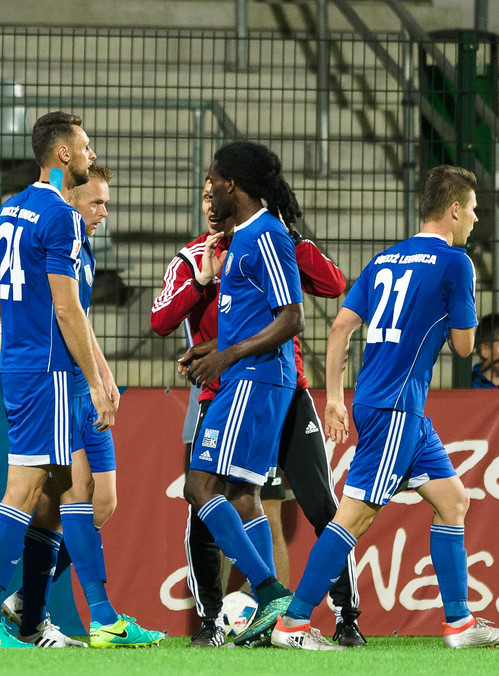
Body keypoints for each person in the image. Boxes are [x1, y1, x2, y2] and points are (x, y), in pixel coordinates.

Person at [273, 165, 499, 650]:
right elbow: (467, 348)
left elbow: (340, 329)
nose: (474, 218)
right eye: (472, 209)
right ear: (453, 209)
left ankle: (459, 624)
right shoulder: (456, 263)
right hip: (394, 411)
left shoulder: (385, 259)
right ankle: (293, 624)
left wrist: (335, 400)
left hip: (385, 405)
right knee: (352, 519)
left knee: (453, 501)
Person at [0, 111, 162, 649]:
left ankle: (102, 618)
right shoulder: (60, 216)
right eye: (87, 146)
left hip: (24, 366)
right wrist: (97, 380)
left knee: (78, 491)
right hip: (49, 371)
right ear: (64, 155)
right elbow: (66, 306)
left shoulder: (9, 212)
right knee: (25, 490)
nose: (93, 154)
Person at [156, 177, 364, 647]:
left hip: (283, 391)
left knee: (317, 503)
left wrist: (292, 239)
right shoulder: (193, 258)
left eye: (218, 194)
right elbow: (161, 320)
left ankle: (345, 615)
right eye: (205, 197)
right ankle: (215, 621)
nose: (211, 205)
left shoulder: (269, 240)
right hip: (221, 393)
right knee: (212, 504)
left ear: (237, 195)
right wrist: (202, 283)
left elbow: (330, 286)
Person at [180, 140, 305, 646]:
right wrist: (211, 346)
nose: (208, 187)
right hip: (246, 377)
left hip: (253, 383)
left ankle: (270, 589)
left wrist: (227, 357)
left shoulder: (266, 236)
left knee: (199, 488)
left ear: (232, 183)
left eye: (213, 179)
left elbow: (291, 318)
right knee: (242, 495)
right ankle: (266, 607)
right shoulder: (242, 238)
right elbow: (253, 320)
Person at [0, 164, 118, 648]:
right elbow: (56, 312)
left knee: (102, 502)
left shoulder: (81, 244)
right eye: (96, 203)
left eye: (106, 203)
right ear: (72, 201)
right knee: (65, 497)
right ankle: (49, 611)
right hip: (58, 383)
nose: (103, 213)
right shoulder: (53, 228)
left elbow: (81, 317)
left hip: (84, 379)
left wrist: (105, 374)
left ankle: (25, 601)